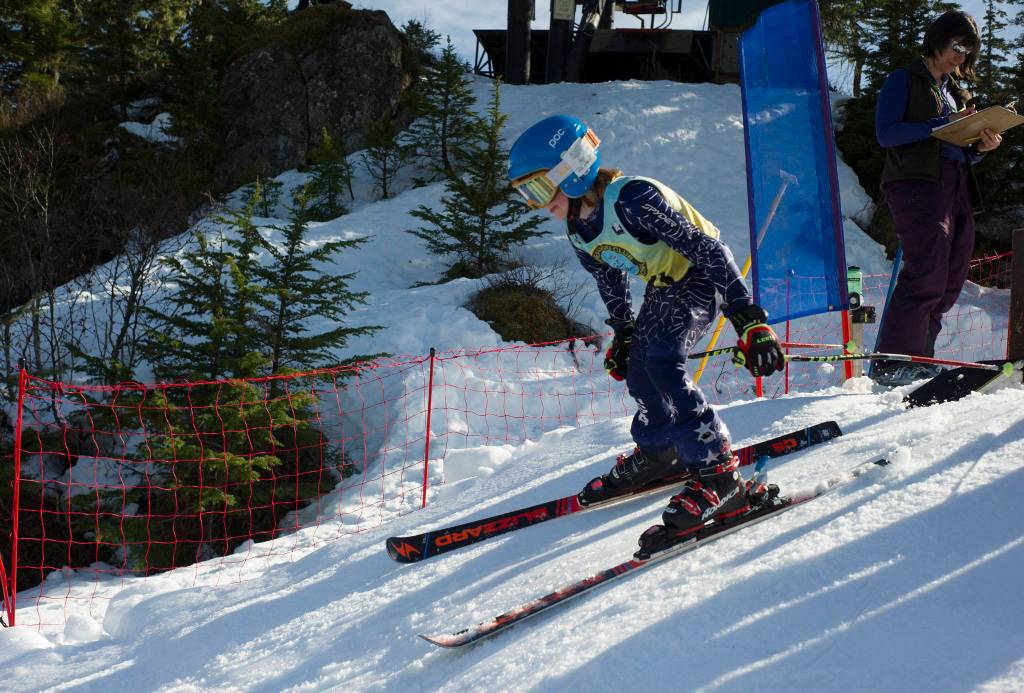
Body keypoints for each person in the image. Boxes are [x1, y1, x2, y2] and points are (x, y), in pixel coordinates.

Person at [507, 115, 785, 552]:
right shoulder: (579, 230)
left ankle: (720, 476)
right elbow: (610, 278)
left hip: (702, 276)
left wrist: (747, 316)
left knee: (662, 362)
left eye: (539, 189)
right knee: (639, 369)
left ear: (571, 169)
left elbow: (708, 248)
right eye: (526, 195)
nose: (537, 205)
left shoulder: (632, 198)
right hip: (665, 286)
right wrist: (624, 332)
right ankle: (661, 450)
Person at [872, 10, 1002, 387]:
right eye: (957, 46)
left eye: (968, 52)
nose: (960, 57)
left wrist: (981, 147)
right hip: (916, 184)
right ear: (939, 38)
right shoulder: (904, 79)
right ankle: (892, 363)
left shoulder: (955, 91)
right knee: (926, 269)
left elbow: (957, 148)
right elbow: (886, 133)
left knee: (952, 275)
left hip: (954, 185)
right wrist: (941, 124)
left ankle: (920, 361)